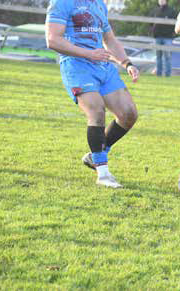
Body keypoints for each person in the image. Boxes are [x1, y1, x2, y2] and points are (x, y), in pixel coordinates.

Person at [46, 0, 140, 188]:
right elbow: (53, 40)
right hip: (77, 66)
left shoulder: (99, 4)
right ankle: (103, 175)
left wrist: (127, 63)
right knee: (96, 111)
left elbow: (110, 39)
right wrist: (88, 54)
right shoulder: (62, 2)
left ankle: (95, 155)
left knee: (128, 114)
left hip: (103, 66)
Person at [150, 0, 177, 77]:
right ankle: (158, 74)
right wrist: (153, 32)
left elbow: (175, 23)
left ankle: (167, 74)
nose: (161, 1)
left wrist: (171, 33)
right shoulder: (155, 10)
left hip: (168, 37)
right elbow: (150, 23)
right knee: (158, 57)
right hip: (157, 37)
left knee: (167, 57)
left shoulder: (171, 11)